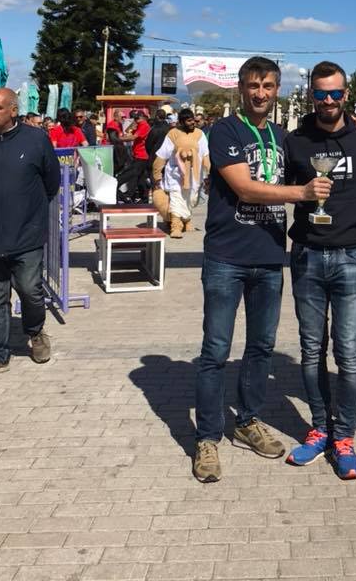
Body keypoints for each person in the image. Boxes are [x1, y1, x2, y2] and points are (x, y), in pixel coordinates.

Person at [193, 57, 331, 484]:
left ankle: (248, 420)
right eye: (253, 85)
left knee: (261, 347)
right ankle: (207, 437)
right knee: (216, 349)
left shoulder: (281, 136)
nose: (260, 93)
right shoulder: (225, 130)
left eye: (268, 86)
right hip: (226, 256)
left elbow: (319, 152)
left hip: (270, 256)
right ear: (240, 87)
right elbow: (244, 187)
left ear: (277, 90)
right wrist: (301, 193)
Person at [283, 61, 356, 480]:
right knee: (311, 349)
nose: (328, 101)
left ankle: (344, 438)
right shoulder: (295, 141)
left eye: (335, 93)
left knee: (349, 352)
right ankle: (319, 429)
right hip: (307, 254)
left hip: (351, 256)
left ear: (346, 94)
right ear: (311, 95)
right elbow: (280, 189)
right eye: (321, 93)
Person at [0, 88, 60, 381]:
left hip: (26, 234)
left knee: (30, 291)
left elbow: (51, 182)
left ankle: (35, 332)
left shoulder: (36, 140)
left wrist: (30, 212)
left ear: (13, 110)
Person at [152, 108, 210, 238]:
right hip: (176, 175)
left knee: (190, 199)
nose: (192, 123)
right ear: (182, 122)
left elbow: (205, 154)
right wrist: (157, 175)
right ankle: (176, 226)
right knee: (177, 198)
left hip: (194, 174)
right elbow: (162, 156)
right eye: (189, 121)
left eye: (193, 120)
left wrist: (208, 172)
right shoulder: (173, 134)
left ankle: (186, 220)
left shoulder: (199, 134)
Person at [121, 110, 151, 201]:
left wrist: (119, 139)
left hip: (142, 155)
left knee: (133, 175)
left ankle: (130, 194)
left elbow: (133, 137)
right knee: (140, 177)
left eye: (137, 118)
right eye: (134, 118)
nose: (135, 120)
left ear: (142, 117)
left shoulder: (144, 125)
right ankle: (143, 197)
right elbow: (127, 131)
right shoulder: (139, 125)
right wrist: (133, 125)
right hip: (138, 154)